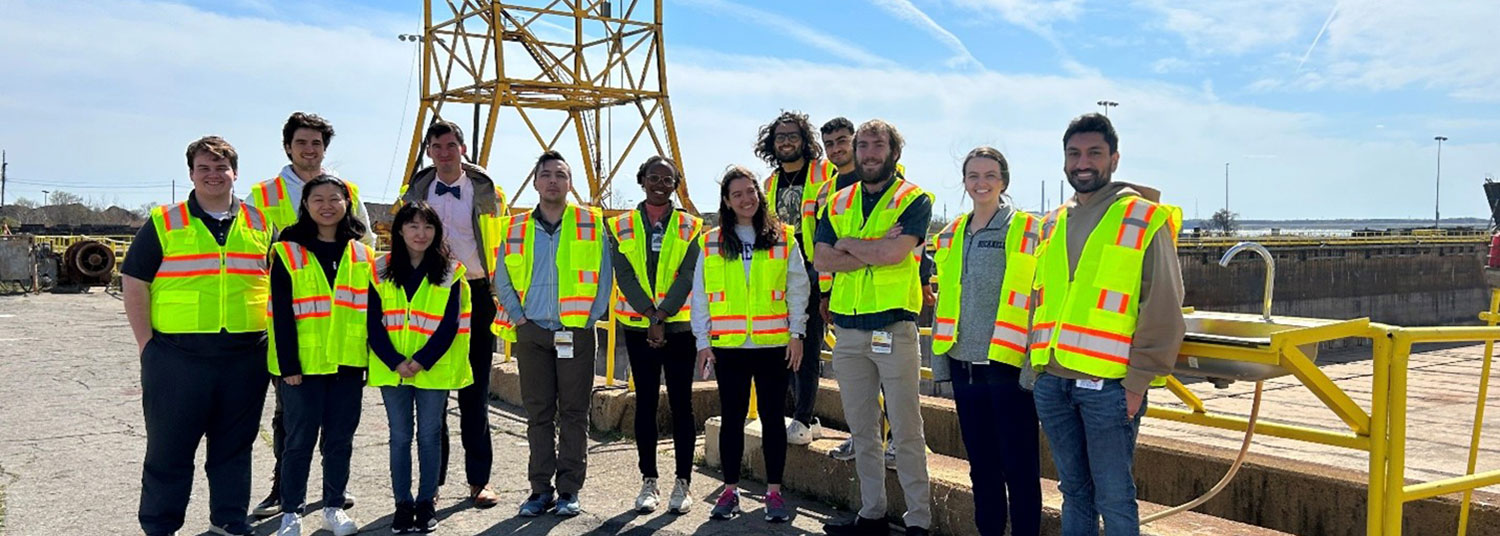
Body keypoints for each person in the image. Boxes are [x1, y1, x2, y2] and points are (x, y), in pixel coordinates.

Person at [1029, 113, 1184, 536]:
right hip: (1054, 382)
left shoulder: (1142, 217)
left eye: (1094, 153)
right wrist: (1037, 372)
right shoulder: (1052, 222)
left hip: (1110, 388)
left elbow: (1164, 306)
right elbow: (1039, 302)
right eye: (1074, 153)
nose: (1083, 162)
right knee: (1074, 492)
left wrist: (1137, 384)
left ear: (1114, 159)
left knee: (1114, 497)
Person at [123, 136, 273, 536]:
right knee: (169, 450)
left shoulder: (261, 223)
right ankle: (159, 525)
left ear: (234, 173)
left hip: (245, 354)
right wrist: (146, 346)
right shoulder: (164, 221)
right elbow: (134, 281)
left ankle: (228, 519)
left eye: (221, 167)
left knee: (234, 448)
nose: (213, 175)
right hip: (176, 355)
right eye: (204, 167)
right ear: (191, 173)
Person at [813, 120, 934, 536]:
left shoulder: (913, 199)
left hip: (894, 328)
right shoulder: (837, 200)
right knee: (862, 429)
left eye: (877, 145)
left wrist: (849, 245)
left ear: (893, 152)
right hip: (847, 331)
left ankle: (918, 521)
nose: (868, 152)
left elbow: (895, 252)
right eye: (862, 145)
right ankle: (872, 513)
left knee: (905, 429)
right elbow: (822, 260)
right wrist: (872, 250)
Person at [250, 112, 372, 517]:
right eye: (301, 142)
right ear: (288, 146)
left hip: (342, 340)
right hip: (291, 329)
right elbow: (250, 252)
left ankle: (333, 492)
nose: (309, 149)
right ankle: (284, 492)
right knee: (291, 422)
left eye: (316, 143)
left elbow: (365, 251)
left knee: (338, 429)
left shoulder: (348, 191)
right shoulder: (263, 195)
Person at [928, 147, 1042, 536]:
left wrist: (1031, 369)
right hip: (964, 367)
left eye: (990, 175)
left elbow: (1037, 302)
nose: (981, 183)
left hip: (1008, 368)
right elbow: (946, 302)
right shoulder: (951, 234)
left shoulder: (1026, 229)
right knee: (982, 466)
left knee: (1020, 466)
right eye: (974, 176)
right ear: (964, 182)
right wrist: (942, 363)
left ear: (1004, 181)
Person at [494, 150, 612, 517]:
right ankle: (539, 489)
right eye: (546, 174)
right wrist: (519, 319)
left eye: (561, 175)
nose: (553, 181)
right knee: (539, 414)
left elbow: (605, 277)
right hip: (532, 333)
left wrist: (588, 319)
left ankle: (569, 490)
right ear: (535, 182)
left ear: (570, 183)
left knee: (574, 413)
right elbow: (503, 278)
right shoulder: (515, 228)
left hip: (574, 332)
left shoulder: (590, 224)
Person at [399, 119, 508, 508]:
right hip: (428, 293)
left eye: (451, 146)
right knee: (432, 391)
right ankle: (434, 478)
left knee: (474, 390)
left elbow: (503, 246)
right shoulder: (416, 192)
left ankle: (479, 480)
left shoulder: (488, 194)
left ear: (463, 149)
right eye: (436, 147)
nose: (444, 153)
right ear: (429, 151)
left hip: (475, 293)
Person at [693, 165, 811, 523]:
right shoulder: (711, 241)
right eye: (737, 194)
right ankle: (729, 491)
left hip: (773, 343)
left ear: (759, 195)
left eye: (750, 191)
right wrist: (703, 341)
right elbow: (700, 295)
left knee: (774, 420)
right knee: (731, 420)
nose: (746, 199)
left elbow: (797, 287)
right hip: (729, 345)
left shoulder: (782, 237)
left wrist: (797, 334)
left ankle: (773, 494)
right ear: (727, 202)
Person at [266, 176, 373, 536]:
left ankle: (333, 507)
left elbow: (371, 311)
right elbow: (279, 312)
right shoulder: (287, 250)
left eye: (335, 199)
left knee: (340, 441)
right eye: (318, 199)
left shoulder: (361, 253)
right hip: (304, 367)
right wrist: (288, 366)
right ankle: (291, 512)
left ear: (346, 204)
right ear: (306, 205)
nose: (327, 206)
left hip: (347, 362)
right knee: (298, 442)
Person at [368, 201, 475, 534]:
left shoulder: (449, 271)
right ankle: (403, 504)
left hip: (433, 367)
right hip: (393, 368)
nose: (420, 233)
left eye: (427, 226)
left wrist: (420, 361)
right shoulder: (380, 268)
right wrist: (396, 361)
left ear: (436, 232)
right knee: (400, 437)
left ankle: (426, 501)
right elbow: (373, 322)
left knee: (429, 437)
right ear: (399, 230)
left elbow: (449, 324)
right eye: (412, 226)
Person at [608, 156, 701, 514]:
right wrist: (649, 315)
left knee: (682, 404)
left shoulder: (691, 226)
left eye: (668, 178)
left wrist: (662, 316)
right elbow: (624, 275)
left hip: (679, 328)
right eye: (653, 177)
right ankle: (649, 480)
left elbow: (689, 274)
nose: (660, 183)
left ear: (676, 183)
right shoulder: (621, 226)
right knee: (645, 402)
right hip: (638, 326)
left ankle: (683, 482)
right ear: (641, 180)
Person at [756, 111, 836, 447]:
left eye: (793, 136)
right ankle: (809, 416)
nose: (786, 142)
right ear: (772, 144)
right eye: (780, 137)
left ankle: (802, 418)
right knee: (788, 345)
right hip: (785, 269)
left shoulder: (823, 171)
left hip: (819, 268)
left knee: (809, 342)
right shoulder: (771, 182)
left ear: (805, 140)